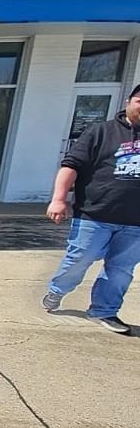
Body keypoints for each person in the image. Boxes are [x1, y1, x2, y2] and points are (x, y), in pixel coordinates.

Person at [44, 84, 140, 333]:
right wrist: (59, 198)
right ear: (129, 101)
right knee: (79, 259)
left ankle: (105, 311)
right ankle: (57, 290)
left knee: (120, 270)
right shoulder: (101, 132)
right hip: (94, 214)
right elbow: (70, 166)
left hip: (136, 222)